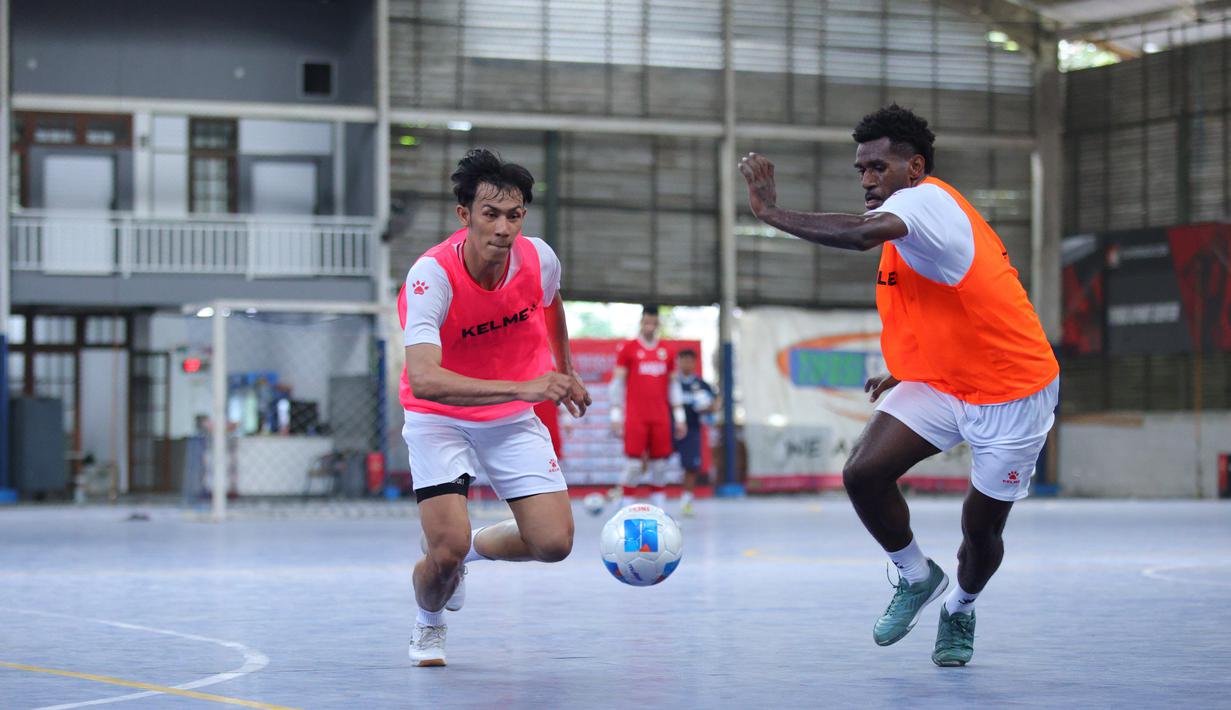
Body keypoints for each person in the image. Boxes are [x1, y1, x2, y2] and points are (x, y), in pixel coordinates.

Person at [739, 104, 1059, 667]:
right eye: (861, 169)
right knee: (863, 473)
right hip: (943, 381)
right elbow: (946, 300)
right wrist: (912, 362)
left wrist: (769, 210)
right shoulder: (909, 214)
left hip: (1012, 393)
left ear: (914, 167)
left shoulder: (924, 202)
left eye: (878, 168)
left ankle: (960, 606)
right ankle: (915, 575)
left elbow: (860, 235)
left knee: (980, 532)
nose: (866, 180)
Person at [399, 148, 590, 667]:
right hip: (438, 419)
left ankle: (472, 548)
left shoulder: (539, 258)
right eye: (491, 214)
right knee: (442, 554)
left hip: (507, 419)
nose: (503, 228)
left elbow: (551, 303)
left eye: (514, 215)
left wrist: (566, 368)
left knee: (554, 543)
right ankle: (429, 621)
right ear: (465, 215)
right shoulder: (431, 276)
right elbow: (425, 379)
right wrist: (523, 388)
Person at [608, 306, 686, 509]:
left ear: (658, 323)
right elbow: (617, 383)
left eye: (654, 322)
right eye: (647, 322)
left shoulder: (667, 351)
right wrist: (615, 415)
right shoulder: (628, 349)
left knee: (660, 465)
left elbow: (674, 385)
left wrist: (680, 417)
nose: (650, 326)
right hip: (636, 417)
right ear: (641, 322)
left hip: (660, 417)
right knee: (633, 465)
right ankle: (625, 509)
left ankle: (660, 511)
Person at [672, 348, 716, 517]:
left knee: (691, 466)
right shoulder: (672, 382)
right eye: (683, 360)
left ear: (694, 363)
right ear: (678, 363)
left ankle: (686, 502)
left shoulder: (701, 385)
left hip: (692, 430)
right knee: (657, 461)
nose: (686, 364)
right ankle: (653, 500)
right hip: (670, 428)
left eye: (689, 361)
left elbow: (714, 405)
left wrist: (707, 407)